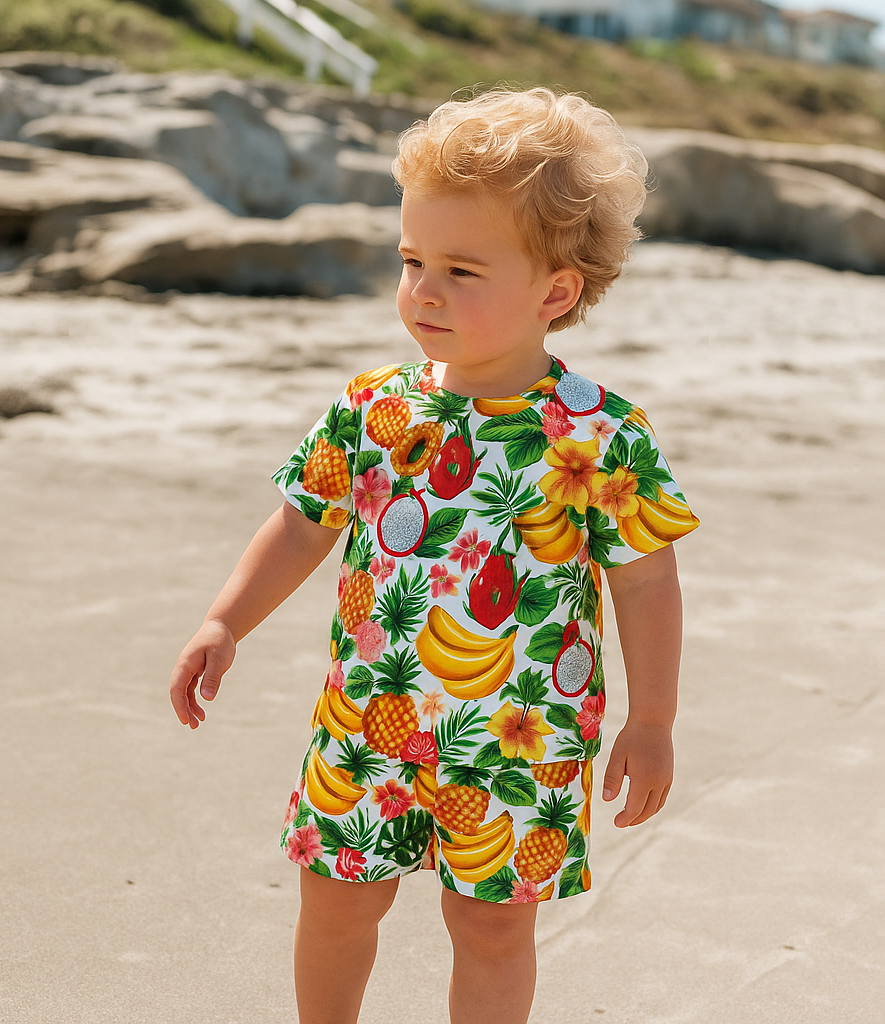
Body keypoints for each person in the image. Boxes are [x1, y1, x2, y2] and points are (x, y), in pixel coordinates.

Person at [169, 86, 699, 1024]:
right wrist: (225, 620)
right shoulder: (376, 406)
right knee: (335, 901)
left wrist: (651, 720)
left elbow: (646, 581)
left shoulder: (598, 435)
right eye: (412, 259)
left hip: (519, 740)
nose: (422, 289)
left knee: (492, 927)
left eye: (461, 269)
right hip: (367, 716)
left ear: (556, 290)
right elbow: (302, 523)